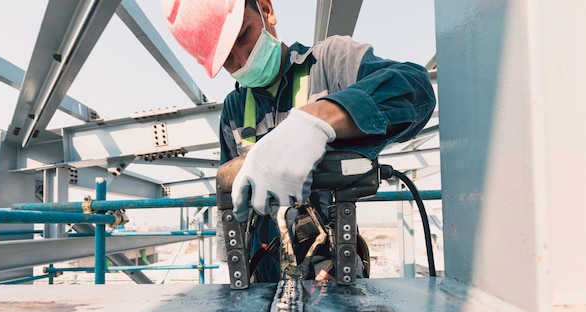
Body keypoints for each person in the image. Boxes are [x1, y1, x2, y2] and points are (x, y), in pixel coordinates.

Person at [162, 0, 436, 282]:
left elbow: (415, 90)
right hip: (263, 282)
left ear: (267, 10)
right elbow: (229, 199)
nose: (242, 60)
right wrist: (232, 270)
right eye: (227, 60)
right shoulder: (234, 110)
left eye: (243, 35)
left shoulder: (330, 63)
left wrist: (320, 118)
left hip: (333, 275)